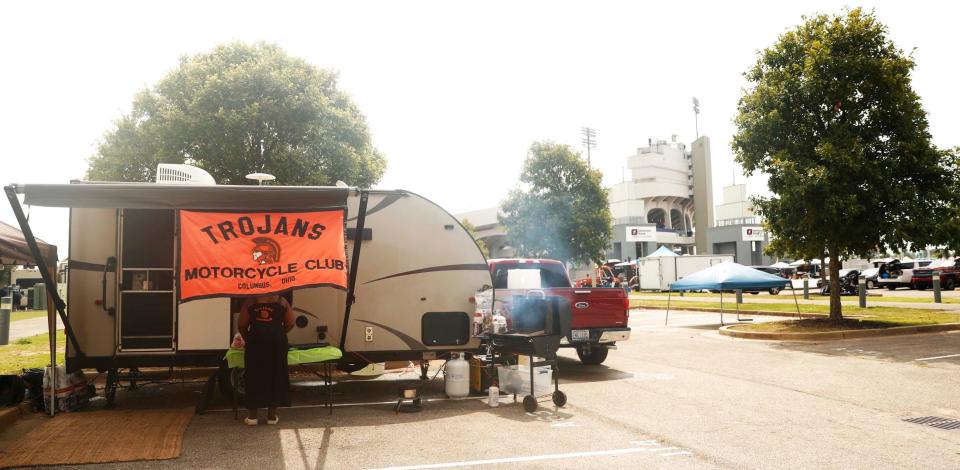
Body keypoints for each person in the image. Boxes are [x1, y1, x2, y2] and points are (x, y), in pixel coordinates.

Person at [237, 294, 295, 425]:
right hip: (277, 342)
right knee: (276, 374)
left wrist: (248, 337)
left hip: (256, 341)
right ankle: (272, 417)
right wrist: (278, 332)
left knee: (254, 374)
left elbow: (241, 324)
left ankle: (252, 417)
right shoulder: (282, 301)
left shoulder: (250, 301)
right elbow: (291, 322)